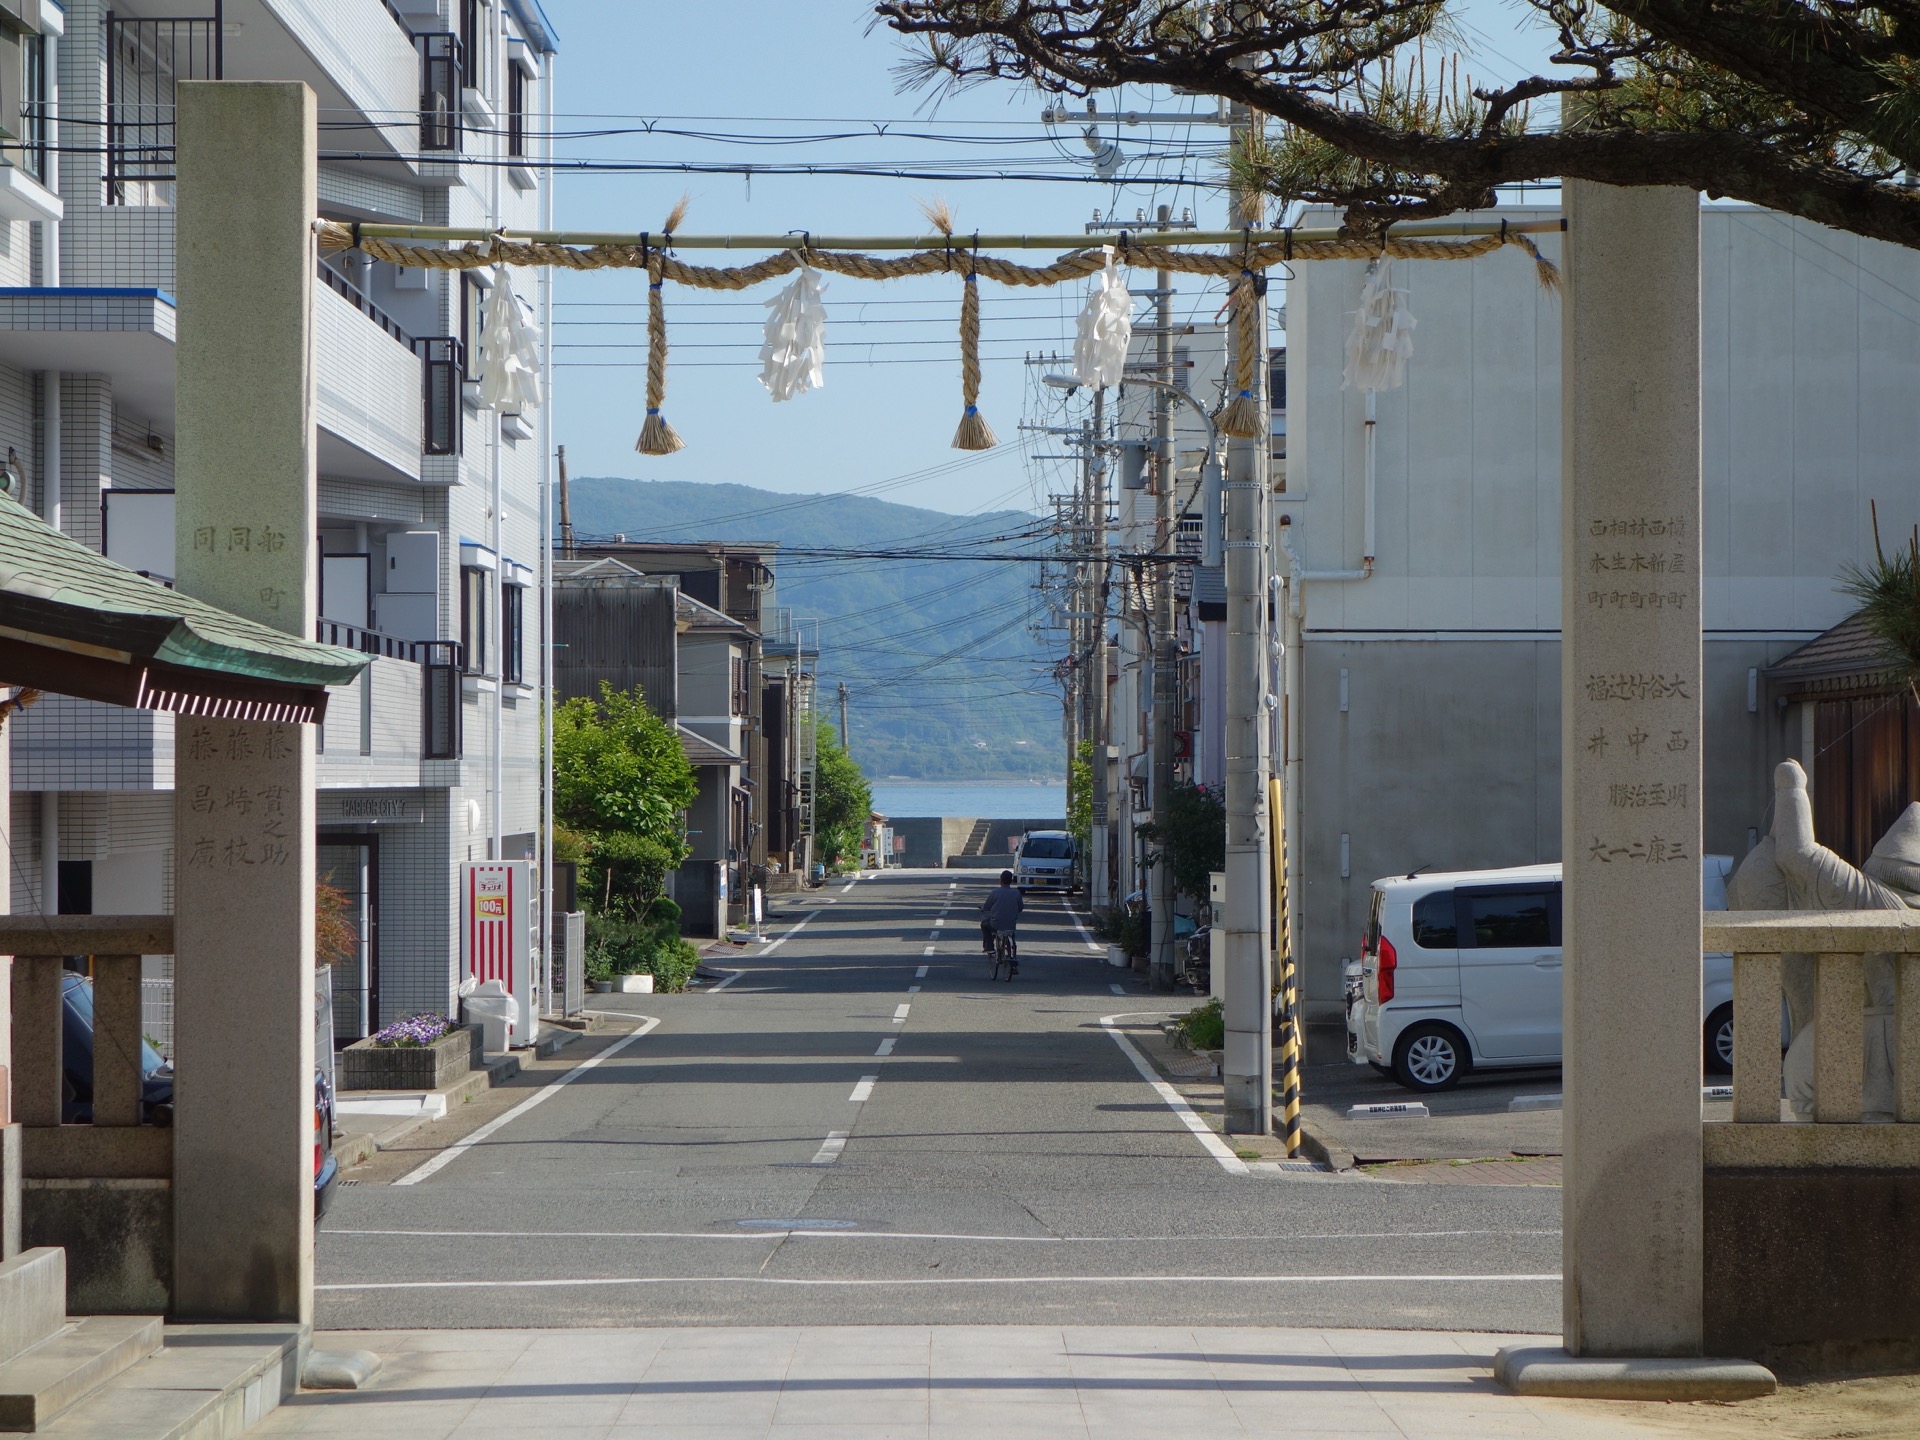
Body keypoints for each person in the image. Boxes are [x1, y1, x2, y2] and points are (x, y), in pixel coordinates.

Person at [980, 869, 1024, 974]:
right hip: (1011, 924)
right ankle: (1012, 957)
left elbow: (987, 907)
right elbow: (1021, 908)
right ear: (1011, 880)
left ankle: (989, 947)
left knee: (984, 925)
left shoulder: (995, 892)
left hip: (996, 923)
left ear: (1001, 880)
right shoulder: (1016, 893)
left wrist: (982, 908)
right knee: (1011, 937)